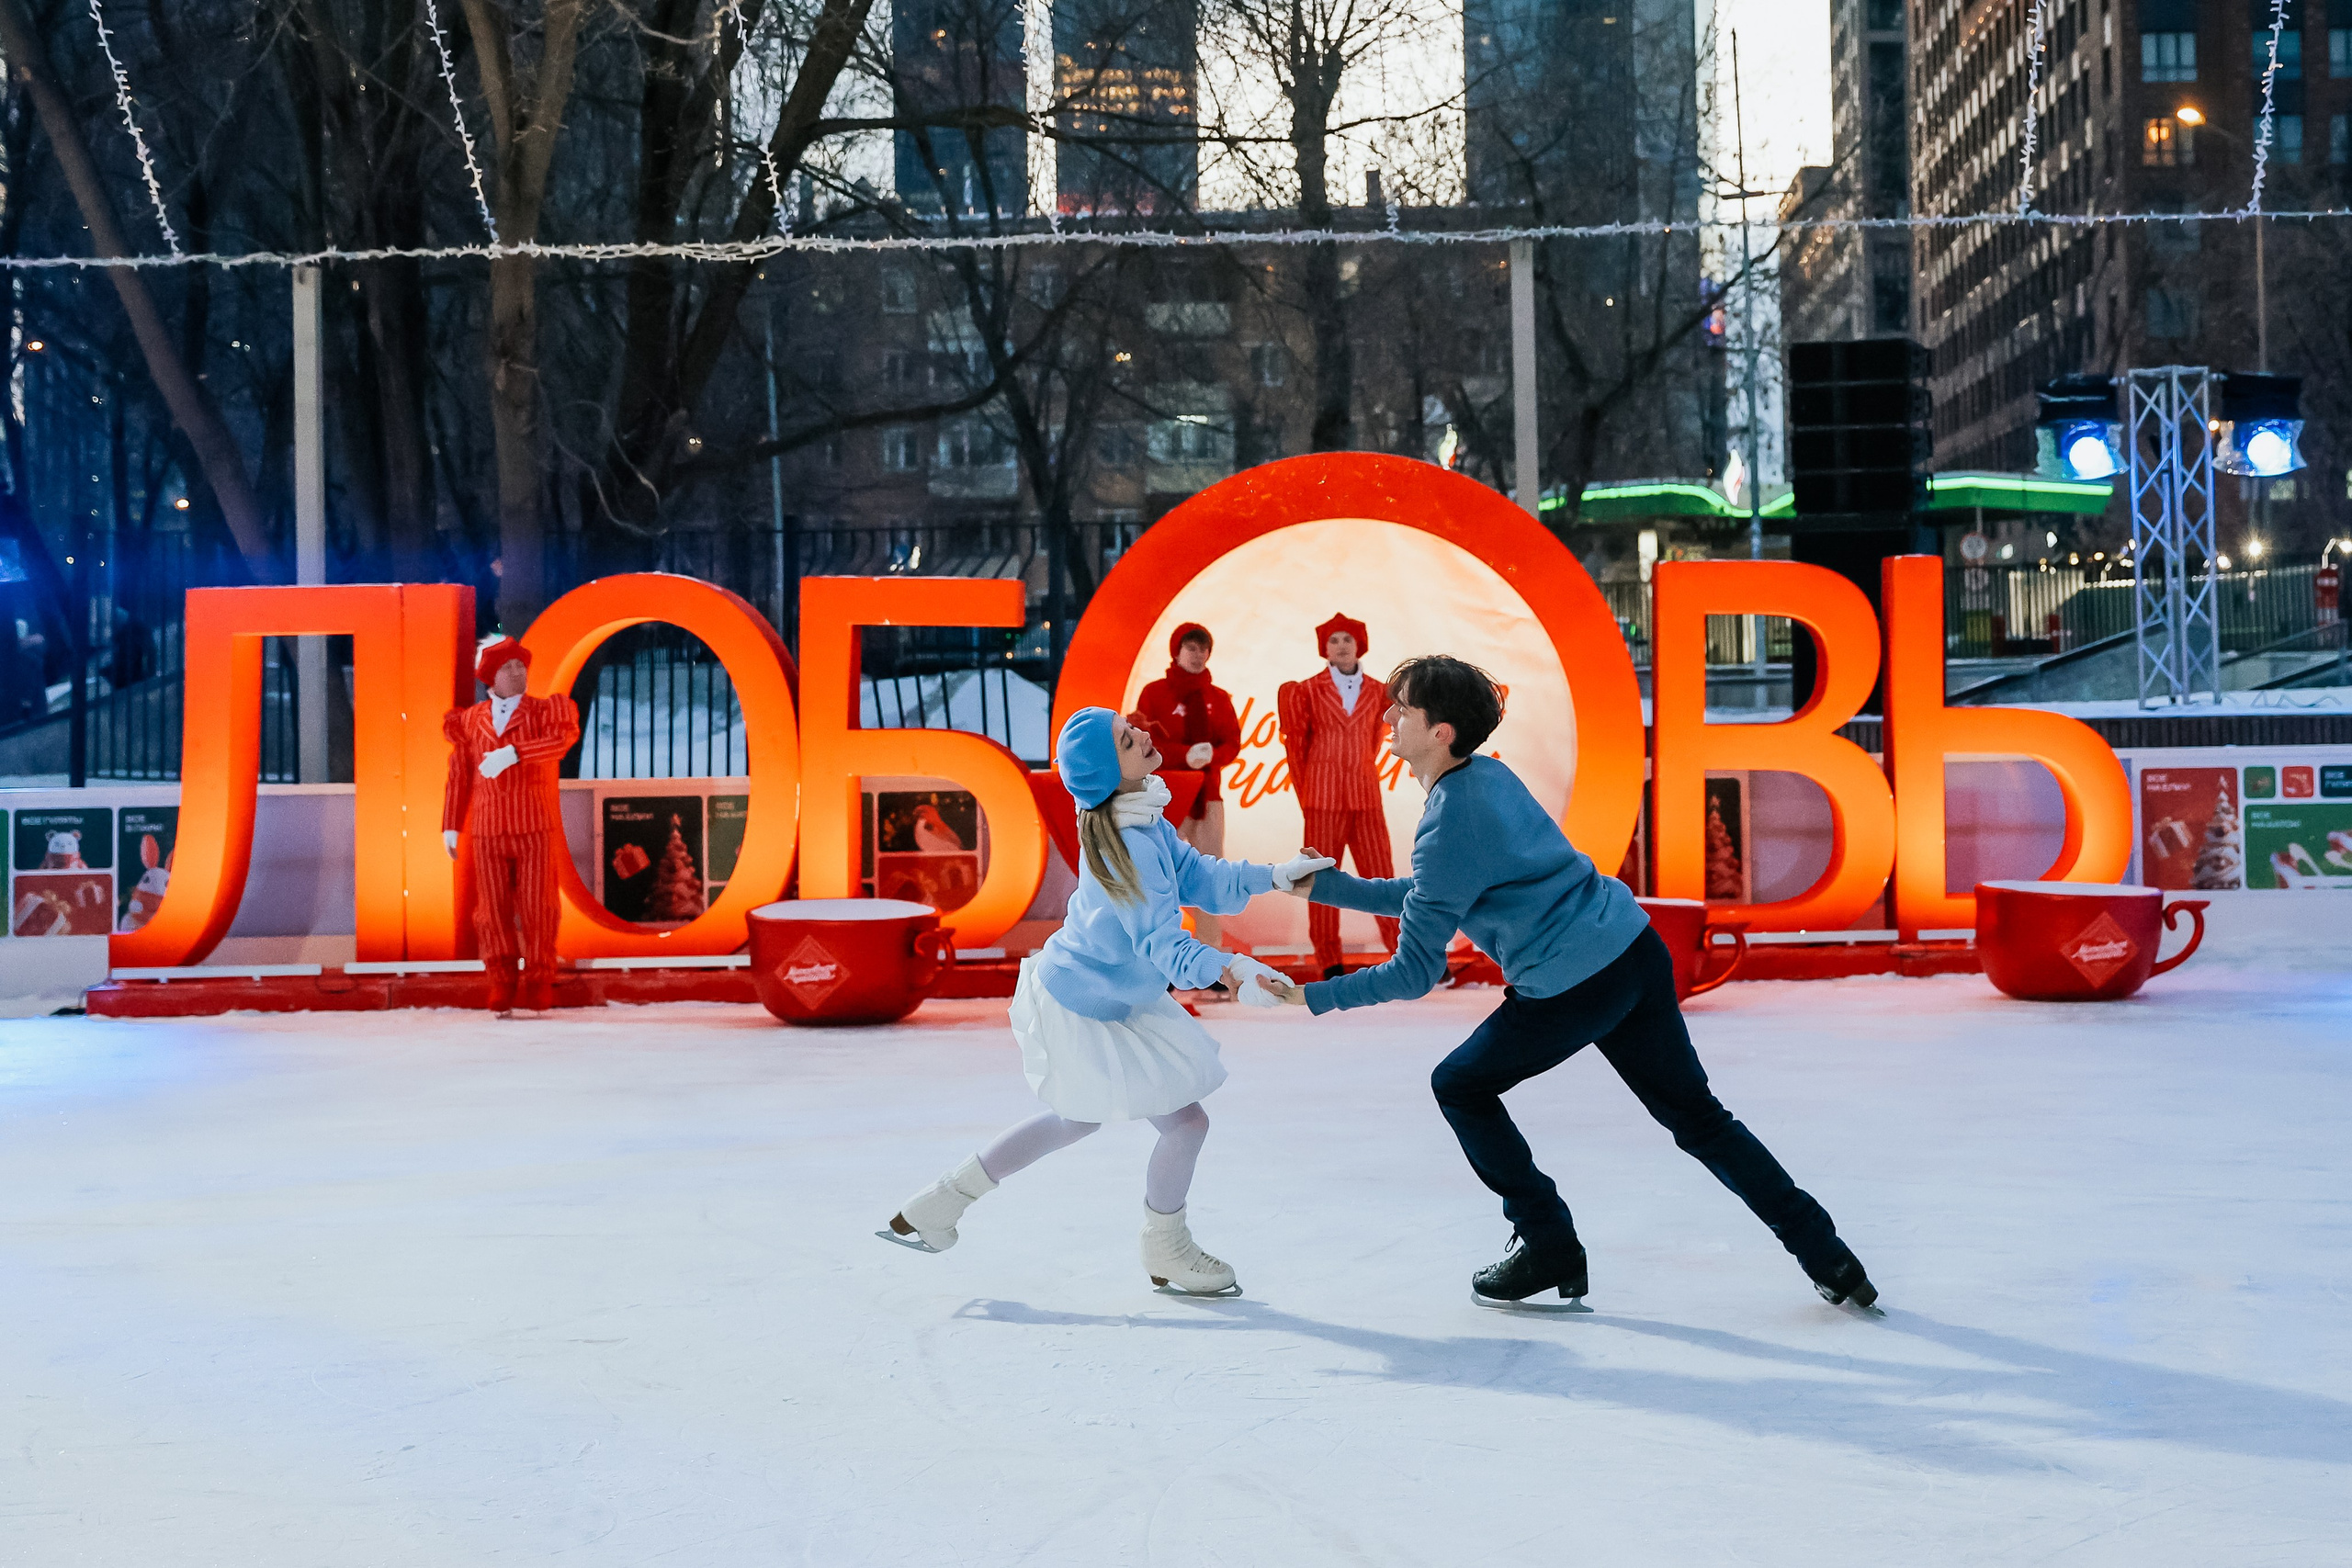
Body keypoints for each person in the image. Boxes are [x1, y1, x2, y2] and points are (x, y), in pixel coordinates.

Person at [1271, 655, 1878, 1312]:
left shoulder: (1448, 819)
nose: (1386, 716)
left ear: (1441, 731)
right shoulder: (1487, 777)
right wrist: (1328, 886)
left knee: (1460, 1084)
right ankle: (1830, 1256)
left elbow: (1417, 968)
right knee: (1701, 1119)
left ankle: (1548, 1242)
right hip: (1632, 952)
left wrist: (1315, 995)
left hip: (1571, 984)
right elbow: (1433, 894)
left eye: (1403, 708)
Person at [883, 706, 1329, 1295]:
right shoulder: (1130, 840)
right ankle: (1165, 1248)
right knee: (1179, 1122)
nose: (1142, 733)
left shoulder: (1140, 818)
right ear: (1106, 773)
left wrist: (1272, 876)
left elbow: (1198, 876)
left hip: (1109, 990)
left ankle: (939, 1204)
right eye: (1126, 738)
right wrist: (1233, 970)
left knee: (1086, 1120)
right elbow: (1162, 941)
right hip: (1087, 999)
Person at [442, 637, 581, 1019]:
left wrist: (515, 753)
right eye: (509, 668)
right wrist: (450, 825)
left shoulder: (545, 711)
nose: (519, 673)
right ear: (490, 677)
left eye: (521, 666)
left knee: (540, 905)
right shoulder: (469, 720)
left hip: (533, 823)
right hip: (487, 828)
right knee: (491, 910)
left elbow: (560, 742)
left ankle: (539, 978)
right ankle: (501, 978)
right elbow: (460, 775)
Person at [1277, 613, 1397, 980]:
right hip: (1322, 797)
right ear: (1323, 648)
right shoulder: (1307, 690)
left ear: (1360, 644)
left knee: (1383, 878)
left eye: (1347, 639)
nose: (1341, 646)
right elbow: (1296, 748)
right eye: (1334, 640)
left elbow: (1375, 741)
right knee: (1322, 882)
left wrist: (1357, 768)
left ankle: (1405, 952)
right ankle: (1328, 960)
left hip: (1365, 794)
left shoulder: (1380, 691)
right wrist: (1308, 791)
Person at [1129, 623, 1243, 950]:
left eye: (1203, 649)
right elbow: (1143, 742)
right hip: (1164, 798)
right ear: (1176, 652)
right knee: (1160, 877)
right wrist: (1183, 755)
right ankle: (1161, 953)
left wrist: (1213, 755)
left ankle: (1210, 955)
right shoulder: (1154, 693)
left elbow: (1232, 743)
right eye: (1191, 648)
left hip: (1208, 798)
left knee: (1209, 878)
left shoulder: (1218, 698)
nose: (1198, 655)